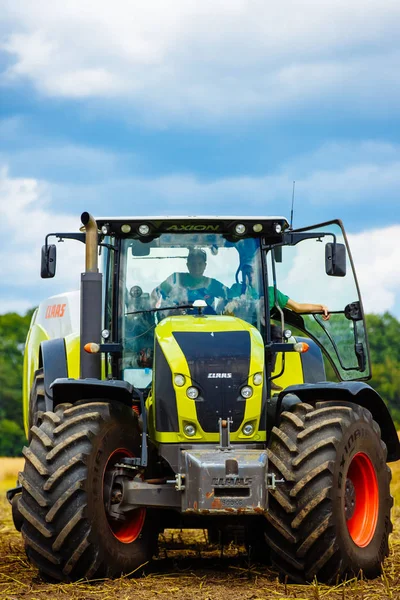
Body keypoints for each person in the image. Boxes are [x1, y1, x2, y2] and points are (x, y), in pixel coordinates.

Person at [226, 263, 330, 390]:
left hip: (260, 330)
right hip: (239, 328)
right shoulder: (236, 289)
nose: (248, 276)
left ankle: (267, 376)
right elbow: (227, 310)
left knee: (276, 332)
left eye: (251, 272)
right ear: (241, 276)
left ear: (259, 274)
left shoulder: (271, 292)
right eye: (245, 273)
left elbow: (297, 307)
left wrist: (321, 307)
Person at [153, 248, 228, 313]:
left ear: (205, 265)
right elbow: (156, 294)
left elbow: (231, 296)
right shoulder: (175, 279)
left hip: (207, 324)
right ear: (187, 265)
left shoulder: (212, 284)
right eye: (193, 264)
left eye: (200, 264)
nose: (196, 267)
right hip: (177, 322)